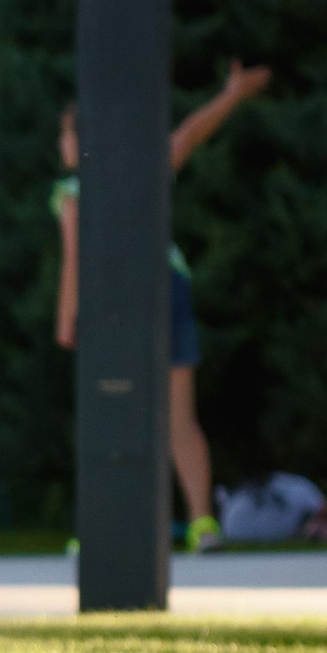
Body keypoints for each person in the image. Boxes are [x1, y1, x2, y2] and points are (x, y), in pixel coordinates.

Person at [52, 61, 271, 549]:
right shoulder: (144, 168)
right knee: (179, 418)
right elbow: (191, 134)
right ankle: (201, 523)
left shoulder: (72, 191)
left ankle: (100, 529)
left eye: (66, 135)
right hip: (165, 286)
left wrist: (66, 318)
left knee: (108, 414)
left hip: (113, 297)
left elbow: (75, 260)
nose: (62, 146)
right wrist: (231, 95)